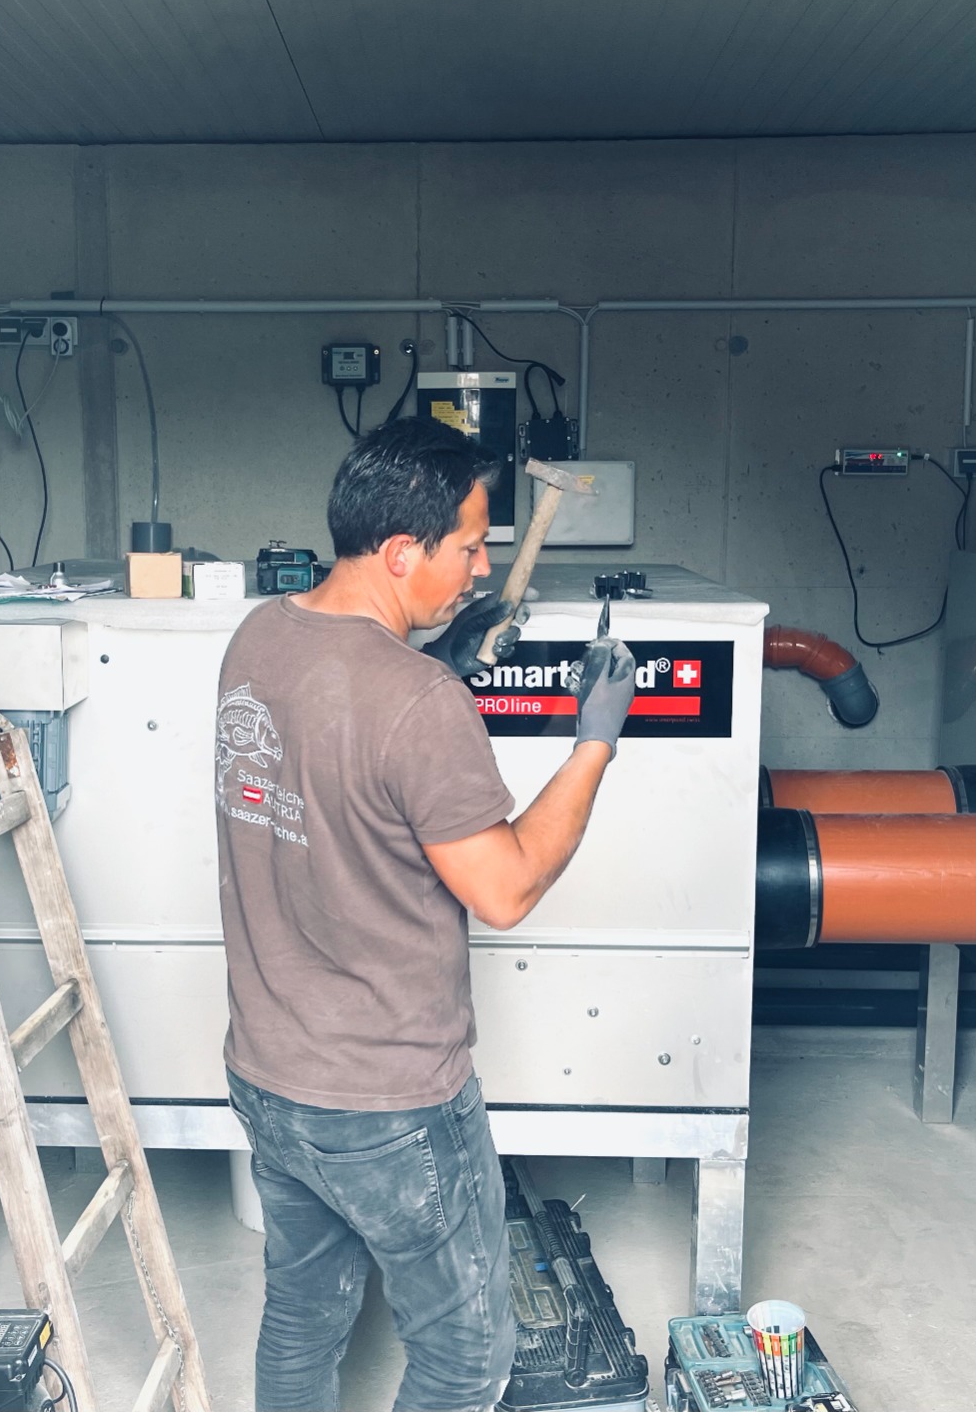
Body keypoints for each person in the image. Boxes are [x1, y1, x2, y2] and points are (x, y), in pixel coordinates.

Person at [213, 416, 638, 1411]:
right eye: (471, 547)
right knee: (464, 1358)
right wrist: (595, 743)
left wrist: (431, 650)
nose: (484, 569)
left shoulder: (259, 638)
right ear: (403, 551)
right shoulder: (417, 703)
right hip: (390, 1101)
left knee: (301, 1321)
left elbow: (337, 746)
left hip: (269, 1074)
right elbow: (505, 888)